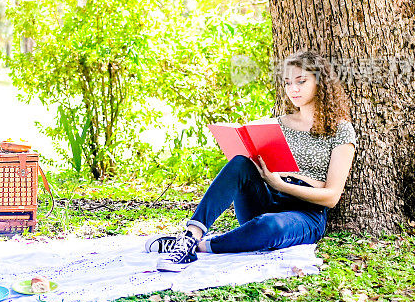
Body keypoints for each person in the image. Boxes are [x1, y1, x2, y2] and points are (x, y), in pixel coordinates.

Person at [150, 50, 357, 272]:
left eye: (301, 81)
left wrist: (284, 184)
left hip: (304, 214)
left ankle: (202, 246)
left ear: (320, 82)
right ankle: (190, 236)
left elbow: (332, 196)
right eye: (288, 83)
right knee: (241, 162)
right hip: (266, 198)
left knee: (269, 225)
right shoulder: (278, 124)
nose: (293, 89)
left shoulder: (340, 130)